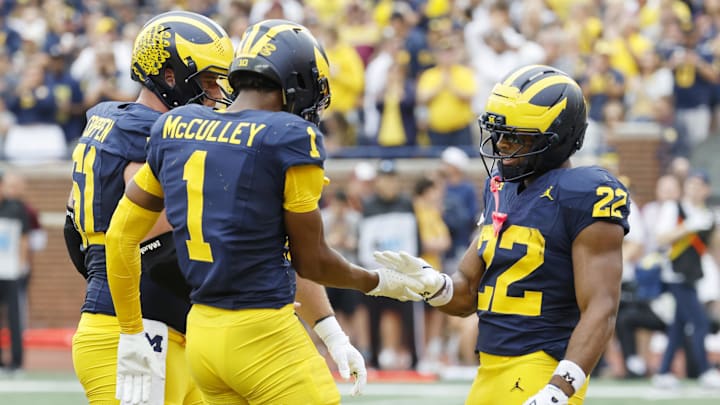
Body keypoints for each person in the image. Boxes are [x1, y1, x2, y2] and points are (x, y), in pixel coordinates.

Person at [104, 19, 423, 405]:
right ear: (294, 84)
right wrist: (380, 281)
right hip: (262, 334)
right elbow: (313, 261)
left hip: (202, 335)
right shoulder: (288, 138)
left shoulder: (176, 126)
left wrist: (130, 330)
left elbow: (120, 236)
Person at [374, 65, 630, 405]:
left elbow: (602, 307)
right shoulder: (500, 186)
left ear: (558, 139)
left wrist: (559, 389)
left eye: (517, 136)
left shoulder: (585, 192)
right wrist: (431, 286)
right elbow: (467, 292)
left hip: (542, 368)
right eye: (499, 133)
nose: (503, 144)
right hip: (490, 370)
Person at [65, 11, 236, 405]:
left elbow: (74, 233)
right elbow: (161, 238)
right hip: (132, 331)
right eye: (207, 81)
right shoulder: (148, 133)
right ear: (170, 76)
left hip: (162, 330)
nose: (216, 93)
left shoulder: (114, 122)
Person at [0, 170, 31, 372]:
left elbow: (23, 238)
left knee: (14, 316)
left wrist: (21, 264)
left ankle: (17, 361)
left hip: (11, 271)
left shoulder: (16, 208)